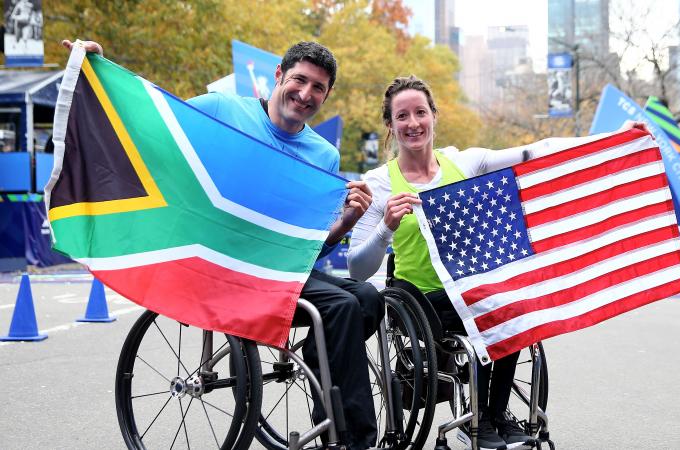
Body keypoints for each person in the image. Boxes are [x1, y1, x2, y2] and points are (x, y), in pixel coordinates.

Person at [62, 39, 383, 450]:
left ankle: (327, 391)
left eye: (317, 88)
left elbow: (311, 248)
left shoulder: (323, 155)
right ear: (279, 77)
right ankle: (357, 440)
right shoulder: (223, 110)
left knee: (369, 299)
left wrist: (348, 221)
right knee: (340, 308)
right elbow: (154, 125)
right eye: (299, 80)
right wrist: (101, 69)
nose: (305, 94)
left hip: (283, 266)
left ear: (327, 94)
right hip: (226, 262)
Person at [348, 75, 647, 449]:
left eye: (420, 112)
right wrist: (385, 230)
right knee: (489, 307)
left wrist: (613, 137)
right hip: (418, 300)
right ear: (390, 126)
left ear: (434, 117)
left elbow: (540, 150)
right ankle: (482, 418)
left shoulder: (465, 162)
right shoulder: (378, 184)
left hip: (470, 287)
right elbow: (356, 269)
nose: (413, 123)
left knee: (512, 301)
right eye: (402, 116)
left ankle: (492, 414)